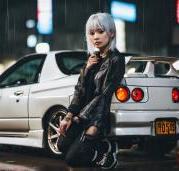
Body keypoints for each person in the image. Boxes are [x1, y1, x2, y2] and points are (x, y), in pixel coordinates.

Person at [57, 13, 125, 169]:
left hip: (98, 116)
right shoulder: (92, 59)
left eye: (100, 31)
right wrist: (68, 116)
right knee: (61, 145)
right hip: (81, 115)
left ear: (111, 33)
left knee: (72, 159)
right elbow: (79, 90)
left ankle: (104, 154)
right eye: (92, 33)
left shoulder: (116, 60)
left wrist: (91, 122)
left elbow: (104, 95)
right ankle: (104, 149)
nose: (96, 37)